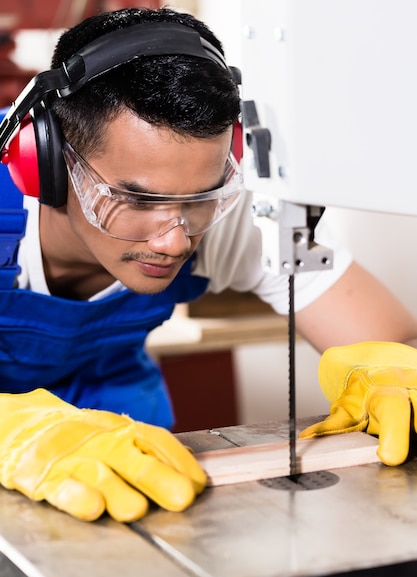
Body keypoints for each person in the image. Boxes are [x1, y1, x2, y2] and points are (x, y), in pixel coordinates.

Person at [0, 7, 416, 523]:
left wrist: (394, 374)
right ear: (45, 162)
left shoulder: (228, 210)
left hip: (115, 423)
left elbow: (395, 341)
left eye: (201, 197)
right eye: (138, 199)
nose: (175, 241)